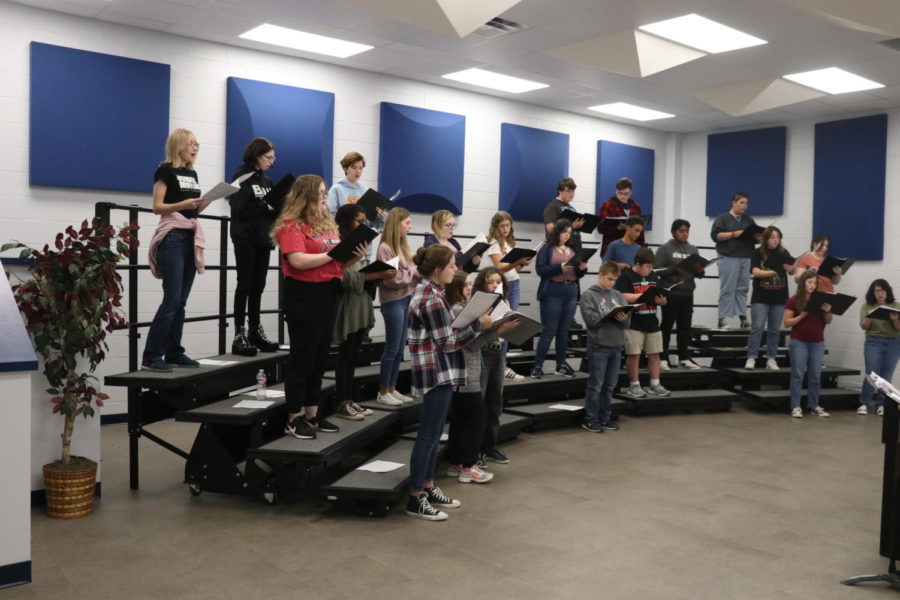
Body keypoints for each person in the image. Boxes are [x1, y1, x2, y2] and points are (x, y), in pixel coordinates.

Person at [273, 174, 366, 439]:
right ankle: (293, 417)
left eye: (326, 192)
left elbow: (333, 264)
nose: (325, 196)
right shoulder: (291, 226)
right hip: (303, 294)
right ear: (307, 196)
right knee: (302, 358)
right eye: (321, 192)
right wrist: (332, 255)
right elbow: (298, 261)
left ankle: (312, 414)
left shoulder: (326, 226)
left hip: (328, 291)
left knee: (319, 357)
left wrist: (351, 257)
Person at [406, 245, 488, 520]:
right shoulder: (431, 298)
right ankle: (416, 497)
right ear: (438, 270)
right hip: (435, 372)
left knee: (434, 433)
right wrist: (478, 323)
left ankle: (428, 487)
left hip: (440, 371)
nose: (456, 269)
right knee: (428, 436)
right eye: (452, 265)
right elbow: (448, 342)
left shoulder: (434, 293)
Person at [142, 128, 210, 372]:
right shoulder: (165, 170)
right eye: (191, 144)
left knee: (181, 301)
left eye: (197, 144)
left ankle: (174, 352)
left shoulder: (192, 174)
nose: (195, 148)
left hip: (189, 234)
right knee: (171, 299)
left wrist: (204, 203)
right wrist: (184, 204)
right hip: (172, 236)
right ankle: (151, 356)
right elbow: (157, 206)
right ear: (179, 145)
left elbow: (192, 210)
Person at [332, 204, 396, 420]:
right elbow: (343, 276)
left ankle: (349, 400)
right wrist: (370, 276)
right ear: (346, 221)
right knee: (346, 355)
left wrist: (377, 275)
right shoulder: (339, 242)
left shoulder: (359, 243)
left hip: (360, 303)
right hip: (348, 305)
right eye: (359, 221)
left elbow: (359, 271)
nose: (363, 224)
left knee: (353, 357)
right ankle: (342, 402)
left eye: (364, 220)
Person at [228, 137, 279, 356]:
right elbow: (238, 205)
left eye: (273, 158)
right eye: (268, 157)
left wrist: (275, 206)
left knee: (259, 284)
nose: (272, 161)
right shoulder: (242, 174)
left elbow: (273, 208)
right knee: (245, 283)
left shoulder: (267, 181)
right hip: (245, 236)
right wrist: (264, 205)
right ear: (257, 156)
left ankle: (255, 330)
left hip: (262, 237)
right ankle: (239, 333)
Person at [531, 219, 588, 379]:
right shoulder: (547, 249)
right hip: (553, 292)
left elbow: (578, 273)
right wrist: (559, 268)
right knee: (549, 330)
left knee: (564, 332)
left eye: (569, 233)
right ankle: (537, 366)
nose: (566, 236)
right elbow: (540, 270)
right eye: (564, 232)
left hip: (570, 290)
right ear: (557, 232)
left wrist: (582, 269)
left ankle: (561, 364)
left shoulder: (573, 249)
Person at [474, 267, 519, 466]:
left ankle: (490, 447)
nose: (495, 285)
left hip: (498, 353)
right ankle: (475, 453)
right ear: (483, 284)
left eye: (498, 282)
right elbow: (475, 333)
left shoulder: (504, 302)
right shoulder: (477, 303)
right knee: (479, 404)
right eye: (491, 282)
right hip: (482, 352)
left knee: (495, 404)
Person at [579, 261, 630, 432]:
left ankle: (605, 417)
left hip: (616, 346)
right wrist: (609, 313)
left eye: (614, 280)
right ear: (600, 275)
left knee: (609, 386)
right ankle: (591, 419)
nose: (611, 283)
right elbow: (591, 320)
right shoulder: (588, 295)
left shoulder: (618, 295)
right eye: (609, 279)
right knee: (596, 385)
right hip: (598, 346)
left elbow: (627, 323)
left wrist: (623, 318)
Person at [375, 208, 419, 406]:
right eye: (407, 223)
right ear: (397, 223)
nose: (410, 227)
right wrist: (411, 270)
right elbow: (393, 280)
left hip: (406, 300)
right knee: (392, 349)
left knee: (401, 348)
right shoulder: (385, 248)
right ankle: (383, 391)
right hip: (392, 301)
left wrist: (408, 270)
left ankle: (392, 388)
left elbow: (406, 274)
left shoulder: (403, 247)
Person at [615, 247, 671, 398]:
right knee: (634, 354)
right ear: (638, 264)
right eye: (648, 266)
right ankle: (634, 385)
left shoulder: (653, 276)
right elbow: (621, 295)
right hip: (633, 322)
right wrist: (642, 295)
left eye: (652, 266)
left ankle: (655, 384)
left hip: (651, 321)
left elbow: (661, 298)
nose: (650, 269)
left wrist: (662, 300)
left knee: (655, 354)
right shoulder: (626, 277)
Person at [486, 211, 531, 380]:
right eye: (502, 226)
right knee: (502, 324)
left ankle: (503, 363)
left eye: (507, 225)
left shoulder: (511, 242)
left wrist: (523, 263)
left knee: (511, 322)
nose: (505, 229)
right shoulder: (493, 243)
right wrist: (516, 262)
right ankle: (500, 365)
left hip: (515, 282)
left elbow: (515, 269)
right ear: (496, 227)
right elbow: (498, 267)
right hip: (500, 285)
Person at [654, 219, 704, 370]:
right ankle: (663, 357)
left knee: (685, 327)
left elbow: (699, 273)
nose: (685, 234)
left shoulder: (693, 249)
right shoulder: (664, 249)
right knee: (667, 326)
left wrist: (700, 271)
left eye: (687, 231)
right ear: (673, 232)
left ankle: (684, 357)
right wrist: (675, 269)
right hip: (670, 292)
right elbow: (656, 271)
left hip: (687, 292)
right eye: (682, 231)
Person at [784, 270, 832, 419]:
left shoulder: (820, 300)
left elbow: (828, 320)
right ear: (803, 283)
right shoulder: (794, 300)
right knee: (798, 374)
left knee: (815, 376)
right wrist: (801, 316)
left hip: (817, 342)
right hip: (799, 341)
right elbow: (786, 323)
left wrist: (829, 311)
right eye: (809, 282)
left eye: (814, 283)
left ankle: (814, 405)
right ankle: (796, 406)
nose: (812, 286)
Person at [745, 226, 794, 371]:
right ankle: (751, 357)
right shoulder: (758, 253)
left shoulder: (784, 253)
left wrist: (791, 270)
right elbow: (756, 272)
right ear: (766, 239)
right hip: (761, 296)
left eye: (778, 237)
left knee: (774, 330)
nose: (775, 240)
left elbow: (791, 271)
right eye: (772, 237)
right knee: (757, 327)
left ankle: (771, 358)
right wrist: (773, 271)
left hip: (779, 296)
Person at [710, 192, 758, 329]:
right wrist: (733, 234)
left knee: (743, 288)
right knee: (728, 288)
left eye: (746, 203)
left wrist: (760, 238)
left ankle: (742, 317)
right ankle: (723, 318)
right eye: (741, 202)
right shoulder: (722, 218)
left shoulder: (748, 220)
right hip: (728, 256)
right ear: (734, 203)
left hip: (746, 256)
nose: (744, 206)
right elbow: (715, 236)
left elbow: (755, 236)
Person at [325, 151, 386, 256]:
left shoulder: (366, 191)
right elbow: (329, 216)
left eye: (360, 168)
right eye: (354, 167)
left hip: (364, 246)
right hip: (344, 242)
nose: (358, 171)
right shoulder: (336, 189)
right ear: (345, 168)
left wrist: (380, 217)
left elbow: (373, 224)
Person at [858, 279, 900, 416]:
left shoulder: (896, 305)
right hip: (873, 341)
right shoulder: (867, 306)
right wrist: (872, 313)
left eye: (882, 291)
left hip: (893, 342)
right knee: (872, 373)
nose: (880, 294)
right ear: (873, 292)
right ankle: (864, 403)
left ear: (887, 292)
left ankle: (881, 404)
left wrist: (895, 319)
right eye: (877, 291)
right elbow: (863, 326)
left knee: (886, 375)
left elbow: (899, 328)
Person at [597, 177, 645, 256]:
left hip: (632, 248)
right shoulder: (608, 205)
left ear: (631, 192)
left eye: (626, 193)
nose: (622, 196)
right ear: (616, 191)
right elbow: (600, 228)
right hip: (612, 249)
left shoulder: (636, 206)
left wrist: (641, 249)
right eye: (620, 193)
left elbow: (640, 231)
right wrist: (617, 228)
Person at [542, 178, 584, 249]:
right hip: (560, 248)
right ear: (560, 191)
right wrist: (571, 226)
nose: (571, 194)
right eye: (568, 191)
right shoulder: (552, 206)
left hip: (575, 247)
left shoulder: (572, 208)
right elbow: (550, 229)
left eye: (573, 191)